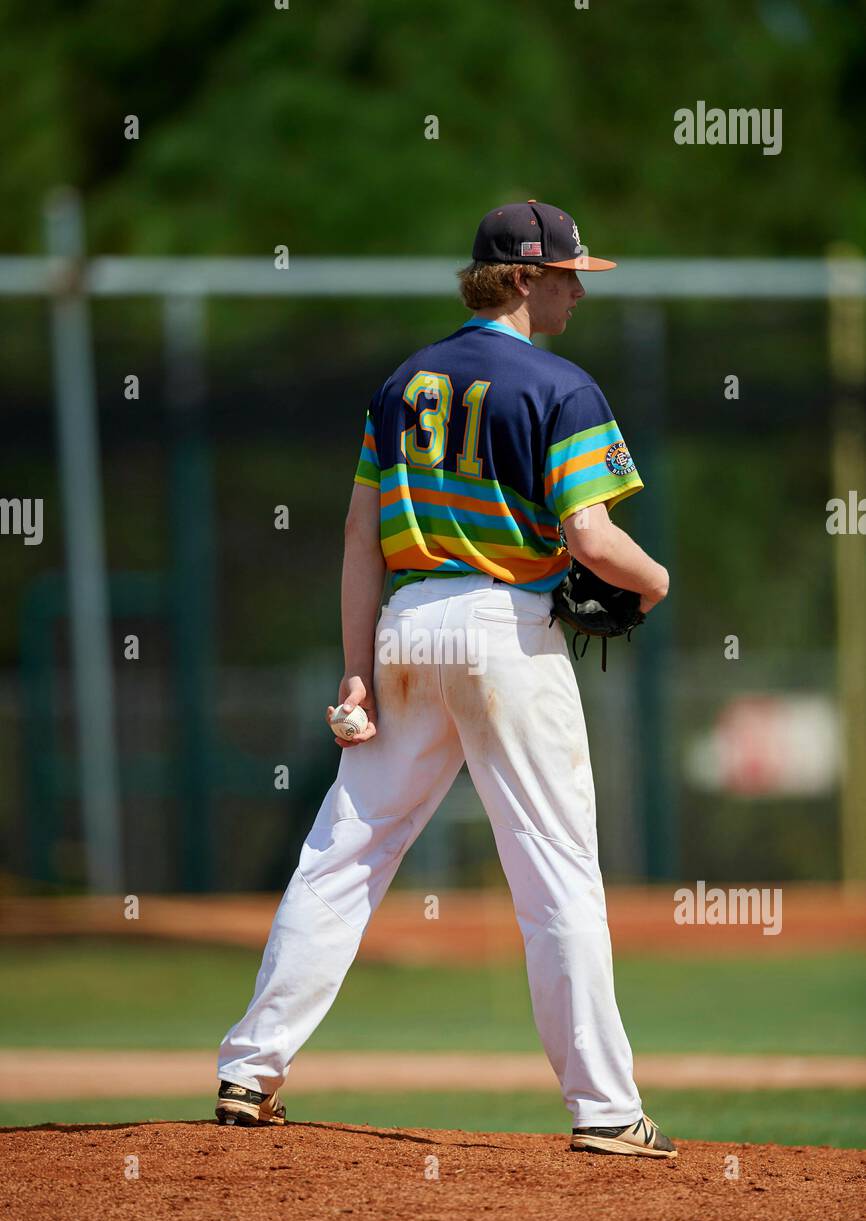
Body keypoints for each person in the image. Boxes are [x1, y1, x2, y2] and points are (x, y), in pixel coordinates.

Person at [216, 200, 676, 1159]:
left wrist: (355, 672)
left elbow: (358, 536)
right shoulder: (560, 386)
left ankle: (250, 1071)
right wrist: (657, 579)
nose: (579, 289)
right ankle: (605, 1113)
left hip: (408, 625)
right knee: (556, 872)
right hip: (507, 628)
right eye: (567, 273)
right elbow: (590, 538)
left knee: (344, 854)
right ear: (521, 277)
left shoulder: (400, 383)